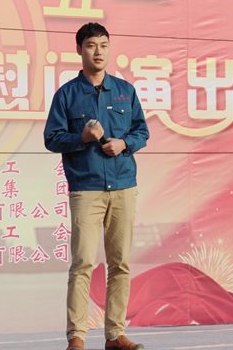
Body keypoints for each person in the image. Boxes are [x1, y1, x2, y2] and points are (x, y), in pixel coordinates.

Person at [44, 23, 149, 350]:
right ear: (79, 49)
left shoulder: (125, 91)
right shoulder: (67, 94)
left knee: (120, 264)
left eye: (104, 45)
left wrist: (124, 143)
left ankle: (115, 335)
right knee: (83, 264)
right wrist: (82, 137)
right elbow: (51, 139)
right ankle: (76, 337)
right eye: (91, 45)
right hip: (86, 188)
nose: (98, 51)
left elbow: (141, 131)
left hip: (123, 186)